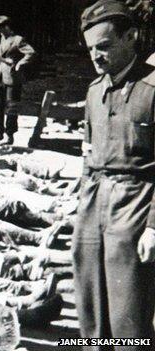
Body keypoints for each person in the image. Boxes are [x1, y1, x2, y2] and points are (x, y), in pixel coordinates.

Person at [74, 0, 155, 345]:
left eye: (104, 46)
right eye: (92, 48)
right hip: (93, 205)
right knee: (89, 304)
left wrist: (153, 225)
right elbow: (88, 153)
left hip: (134, 204)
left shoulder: (152, 90)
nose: (96, 55)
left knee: (128, 311)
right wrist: (80, 201)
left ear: (131, 37)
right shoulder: (95, 91)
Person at [0, 16, 36, 147]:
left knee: (11, 108)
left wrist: (20, 64)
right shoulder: (2, 39)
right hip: (0, 77)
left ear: (6, 27)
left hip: (13, 79)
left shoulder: (18, 40)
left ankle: (9, 135)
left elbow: (31, 53)